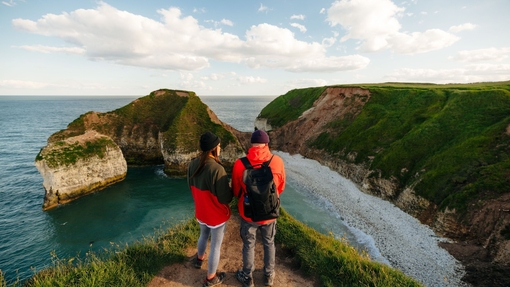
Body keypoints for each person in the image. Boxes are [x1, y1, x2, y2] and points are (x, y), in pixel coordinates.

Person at [232, 129, 286, 287]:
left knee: (249, 244)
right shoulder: (277, 161)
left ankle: (247, 276)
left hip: (248, 213)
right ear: (267, 144)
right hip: (270, 212)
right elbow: (280, 187)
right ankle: (269, 275)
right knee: (269, 242)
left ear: (251, 145)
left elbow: (236, 190)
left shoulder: (240, 164)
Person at [187, 131, 233, 287]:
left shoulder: (192, 164)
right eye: (219, 145)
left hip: (201, 211)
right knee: (215, 245)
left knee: (203, 235)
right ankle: (211, 278)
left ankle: (199, 259)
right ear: (214, 148)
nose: (220, 148)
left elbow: (190, 186)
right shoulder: (217, 169)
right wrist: (230, 188)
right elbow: (225, 198)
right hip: (216, 215)